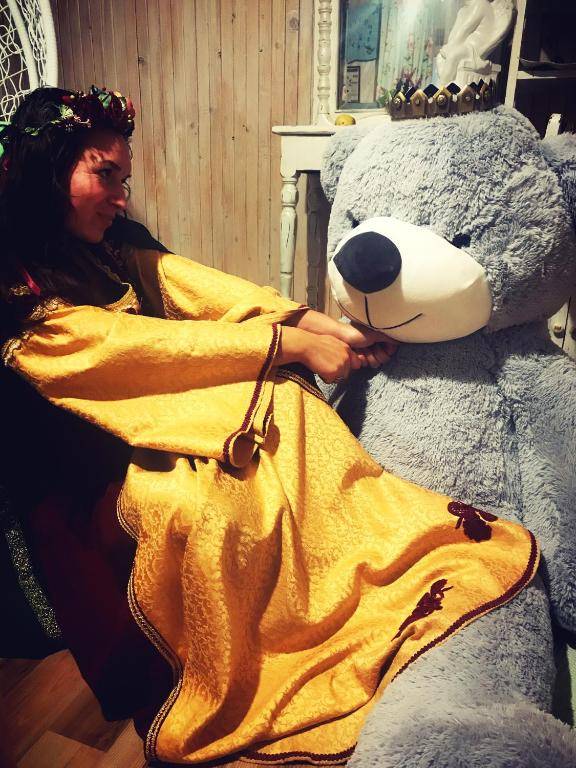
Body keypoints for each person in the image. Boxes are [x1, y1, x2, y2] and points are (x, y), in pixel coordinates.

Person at [0, 87, 538, 766]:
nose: (120, 198)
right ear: (49, 171)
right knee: (204, 507)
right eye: (104, 175)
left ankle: (332, 596)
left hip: (159, 411)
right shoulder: (13, 282)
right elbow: (125, 350)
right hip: (89, 454)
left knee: (289, 408)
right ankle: (251, 665)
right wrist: (288, 346)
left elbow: (204, 290)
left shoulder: (113, 245)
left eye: (124, 179)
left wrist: (318, 326)